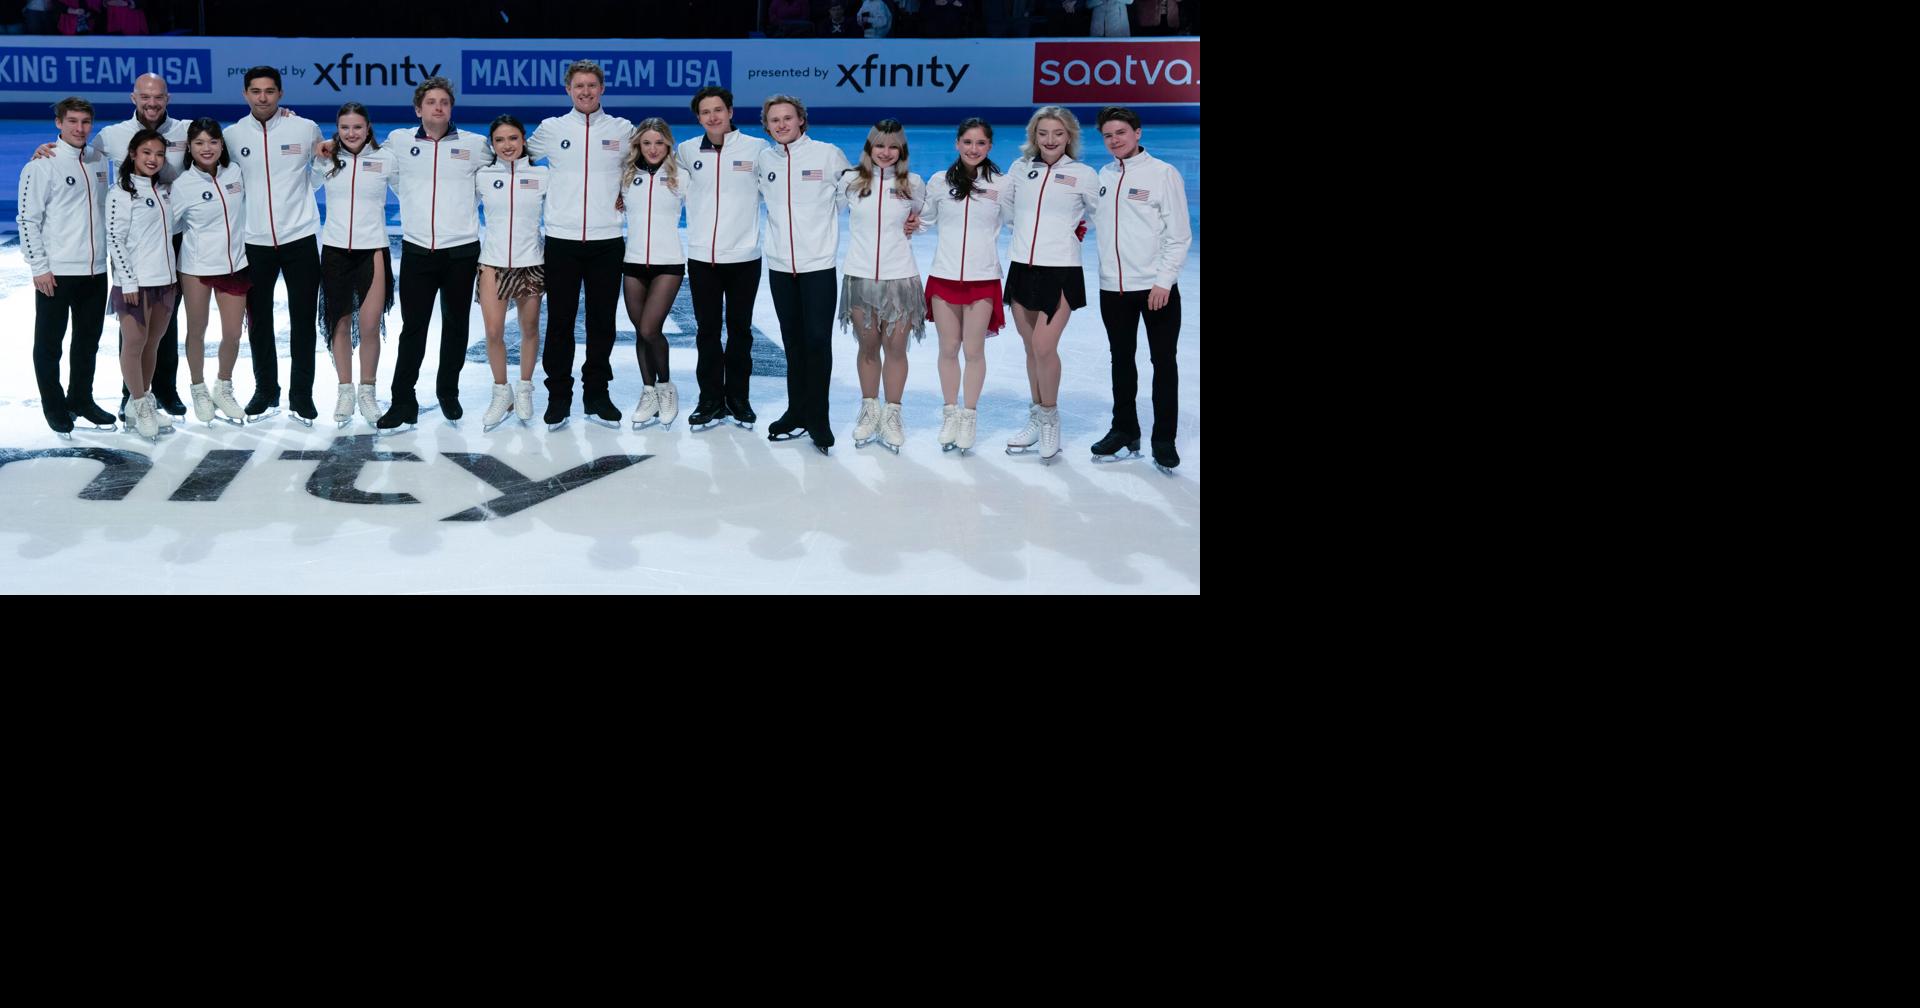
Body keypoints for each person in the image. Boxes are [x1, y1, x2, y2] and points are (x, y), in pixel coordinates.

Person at [373, 76, 488, 433]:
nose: (438, 107)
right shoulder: (399, 141)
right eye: (431, 102)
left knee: (456, 326)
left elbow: (503, 170)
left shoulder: (475, 145)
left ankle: (448, 392)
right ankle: (402, 400)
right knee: (413, 328)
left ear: (451, 109)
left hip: (461, 252)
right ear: (418, 109)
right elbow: (371, 160)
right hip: (418, 250)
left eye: (444, 102)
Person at [527, 59, 634, 430]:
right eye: (579, 86)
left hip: (607, 241)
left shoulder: (622, 129)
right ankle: (559, 396)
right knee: (560, 322)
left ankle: (597, 394)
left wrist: (625, 193)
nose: (585, 92)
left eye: (592, 85)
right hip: (562, 241)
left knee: (602, 322)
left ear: (602, 89)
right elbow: (516, 157)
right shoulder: (551, 129)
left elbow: (642, 165)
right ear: (568, 90)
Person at [1090, 106, 1190, 473]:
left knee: (1163, 362)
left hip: (1154, 289)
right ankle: (1125, 429)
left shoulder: (1163, 174)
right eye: (1108, 135)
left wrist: (1164, 281)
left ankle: (1164, 439)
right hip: (1112, 288)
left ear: (1138, 133)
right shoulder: (1103, 175)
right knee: (1121, 360)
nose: (1114, 140)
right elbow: (1094, 219)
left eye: (1121, 132)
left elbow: (1179, 235)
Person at [755, 94, 851, 454]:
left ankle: (818, 417)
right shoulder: (765, 160)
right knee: (793, 344)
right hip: (780, 267)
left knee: (817, 342)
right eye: (774, 120)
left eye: (787, 118)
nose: (781, 124)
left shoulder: (827, 154)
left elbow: (856, 193)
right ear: (767, 126)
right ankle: (796, 411)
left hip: (818, 267)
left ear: (801, 121)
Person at [229, 66, 325, 423]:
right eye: (255, 91)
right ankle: (266, 391)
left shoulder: (305, 128)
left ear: (280, 93)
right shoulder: (232, 136)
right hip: (253, 241)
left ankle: (302, 395)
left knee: (303, 319)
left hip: (300, 238)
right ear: (245, 94)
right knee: (258, 321)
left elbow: (318, 175)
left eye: (269, 91)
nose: (263, 97)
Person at [1002, 106, 1096, 462]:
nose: (1050, 140)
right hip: (1022, 267)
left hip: (1061, 271)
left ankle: (1051, 418)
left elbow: (1101, 213)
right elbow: (1007, 209)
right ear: (1034, 136)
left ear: (1069, 136)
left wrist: (1072, 231)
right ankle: (1037, 414)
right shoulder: (1020, 169)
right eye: (1043, 133)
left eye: (1058, 133)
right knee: (1031, 349)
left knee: (1044, 346)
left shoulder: (1083, 174)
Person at [17, 97, 112, 438]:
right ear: (59, 123)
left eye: (85, 122)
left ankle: (81, 399)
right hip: (56, 272)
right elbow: (27, 220)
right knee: (49, 344)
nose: (79, 128)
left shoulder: (99, 159)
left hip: (95, 270)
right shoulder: (41, 165)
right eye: (72, 121)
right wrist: (39, 267)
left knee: (87, 342)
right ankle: (55, 406)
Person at [918, 117, 1013, 454]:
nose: (974, 149)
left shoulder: (1002, 184)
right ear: (957, 143)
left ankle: (969, 415)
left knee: (974, 351)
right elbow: (924, 219)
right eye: (968, 142)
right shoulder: (939, 182)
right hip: (944, 277)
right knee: (948, 348)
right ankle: (950, 413)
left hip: (983, 279)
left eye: (981, 143)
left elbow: (1019, 221)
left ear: (990, 146)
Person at [677, 85, 767, 431]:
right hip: (703, 259)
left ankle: (739, 398)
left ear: (730, 111)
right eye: (705, 112)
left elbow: (781, 188)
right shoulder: (686, 151)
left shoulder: (756, 149)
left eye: (718, 110)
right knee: (707, 332)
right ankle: (710, 399)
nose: (712, 117)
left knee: (740, 331)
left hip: (744, 257)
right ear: (698, 118)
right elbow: (664, 184)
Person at [836, 118, 924, 454]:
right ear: (869, 148)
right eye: (879, 146)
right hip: (860, 277)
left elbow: (924, 217)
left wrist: (917, 223)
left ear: (902, 150)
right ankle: (870, 409)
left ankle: (893, 414)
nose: (885, 153)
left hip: (900, 278)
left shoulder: (912, 184)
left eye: (893, 147)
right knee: (868, 346)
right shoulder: (851, 182)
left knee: (896, 348)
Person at [311, 102, 394, 429]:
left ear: (368, 127)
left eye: (357, 127)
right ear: (337, 129)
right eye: (344, 127)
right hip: (335, 252)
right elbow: (307, 185)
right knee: (340, 324)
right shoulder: (327, 158)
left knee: (371, 326)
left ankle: (367, 392)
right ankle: (345, 390)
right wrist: (318, 155)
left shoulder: (386, 159)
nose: (351, 133)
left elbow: (412, 190)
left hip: (372, 250)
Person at [169, 117, 252, 426]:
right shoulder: (182, 185)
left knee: (233, 333)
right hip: (196, 268)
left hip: (234, 265)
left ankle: (223, 386)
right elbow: (169, 227)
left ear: (221, 144)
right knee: (197, 331)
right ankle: (198, 388)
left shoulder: (236, 173)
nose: (207, 148)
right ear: (189, 148)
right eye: (199, 143)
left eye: (213, 142)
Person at [473, 113, 546, 431]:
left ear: (524, 140)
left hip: (531, 262)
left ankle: (525, 388)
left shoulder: (542, 175)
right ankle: (502, 392)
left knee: (529, 330)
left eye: (513, 138)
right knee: (493, 332)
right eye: (500, 140)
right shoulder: (483, 176)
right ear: (492, 144)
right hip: (492, 262)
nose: (507, 145)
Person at [105, 128, 178, 441]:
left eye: (159, 154)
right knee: (134, 344)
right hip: (135, 283)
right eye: (147, 152)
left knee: (152, 344)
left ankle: (143, 400)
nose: (153, 159)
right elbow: (115, 239)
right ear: (133, 154)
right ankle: (136, 402)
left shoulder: (163, 190)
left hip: (166, 281)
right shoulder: (121, 193)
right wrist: (128, 282)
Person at [618, 118, 686, 430]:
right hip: (633, 263)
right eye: (646, 143)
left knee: (649, 329)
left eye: (659, 143)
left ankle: (666, 387)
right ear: (638, 145)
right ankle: (649, 392)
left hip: (668, 264)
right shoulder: (627, 175)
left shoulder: (681, 176)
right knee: (640, 332)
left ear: (668, 144)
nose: (653, 149)